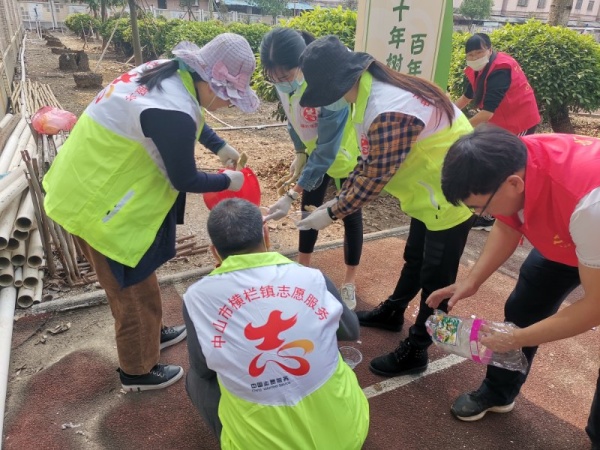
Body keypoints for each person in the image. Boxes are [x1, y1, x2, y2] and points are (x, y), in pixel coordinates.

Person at [42, 34, 259, 392]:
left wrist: (219, 145)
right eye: (229, 97)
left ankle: (153, 332)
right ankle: (137, 371)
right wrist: (228, 180)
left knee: (143, 273)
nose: (228, 105)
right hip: (99, 207)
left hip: (96, 184)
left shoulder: (169, 73)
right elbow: (184, 178)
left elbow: (190, 120)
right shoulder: (173, 110)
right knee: (128, 290)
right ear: (210, 83)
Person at [296, 35, 475, 378]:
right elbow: (367, 161)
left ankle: (418, 348)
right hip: (429, 190)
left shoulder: (387, 108)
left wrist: (331, 212)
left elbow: (374, 177)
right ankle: (394, 311)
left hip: (451, 192)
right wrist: (335, 200)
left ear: (336, 84)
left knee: (437, 278)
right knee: (415, 257)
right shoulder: (369, 92)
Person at [426, 125, 600, 449]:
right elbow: (507, 224)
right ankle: (499, 392)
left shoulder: (590, 207)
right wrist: (471, 281)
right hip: (572, 231)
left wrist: (518, 338)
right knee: (523, 306)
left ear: (514, 184)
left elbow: (594, 308)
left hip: (590, 220)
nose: (481, 215)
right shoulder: (511, 158)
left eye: (481, 208)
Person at [183, 198, 369, 449]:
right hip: (349, 437)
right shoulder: (313, 278)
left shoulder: (197, 297)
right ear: (266, 236)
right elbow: (351, 331)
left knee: (196, 378)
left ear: (214, 251)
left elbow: (203, 369)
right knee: (328, 341)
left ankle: (239, 436)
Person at [260, 28, 363, 309]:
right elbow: (292, 118)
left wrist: (291, 194)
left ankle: (349, 282)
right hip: (316, 153)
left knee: (350, 214)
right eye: (274, 77)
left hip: (344, 155)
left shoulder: (328, 84)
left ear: (301, 64)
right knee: (309, 211)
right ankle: (302, 270)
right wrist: (299, 151)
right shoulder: (283, 81)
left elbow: (327, 150)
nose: (280, 82)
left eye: (285, 76)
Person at [454, 33, 540, 232]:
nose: (475, 57)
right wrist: (446, 114)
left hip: (519, 121)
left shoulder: (501, 69)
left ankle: (496, 216)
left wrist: (458, 130)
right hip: (500, 123)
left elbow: (487, 113)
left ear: (489, 50)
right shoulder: (476, 69)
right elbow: (466, 98)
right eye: (470, 55)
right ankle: (490, 211)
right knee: (491, 163)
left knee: (507, 167)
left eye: (479, 52)